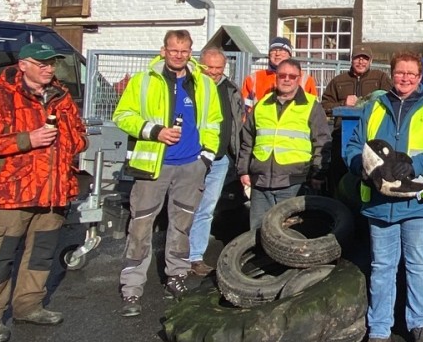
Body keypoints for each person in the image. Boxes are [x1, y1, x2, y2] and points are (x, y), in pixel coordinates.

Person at [0, 42, 88, 342]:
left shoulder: (61, 97)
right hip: (11, 193)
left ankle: (29, 305)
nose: (49, 68)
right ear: (23, 65)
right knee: (0, 256)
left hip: (54, 191)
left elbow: (78, 135)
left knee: (42, 253)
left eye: (52, 63)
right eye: (41, 63)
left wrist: (75, 142)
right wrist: (25, 139)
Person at [346, 51, 423, 342]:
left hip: (419, 201)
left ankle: (419, 327)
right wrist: (362, 166)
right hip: (381, 203)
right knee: (382, 268)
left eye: (411, 74)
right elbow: (354, 146)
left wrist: (415, 164)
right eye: (400, 73)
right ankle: (379, 330)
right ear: (391, 75)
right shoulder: (375, 107)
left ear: (420, 78)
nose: (405, 78)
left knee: (418, 265)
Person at [113, 30, 222, 317]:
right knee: (141, 226)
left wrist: (206, 158)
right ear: (163, 50)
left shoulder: (203, 83)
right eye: (173, 50)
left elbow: (213, 122)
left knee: (181, 226)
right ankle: (132, 288)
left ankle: (177, 277)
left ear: (191, 52)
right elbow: (122, 116)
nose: (178, 55)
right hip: (153, 166)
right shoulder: (143, 80)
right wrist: (155, 131)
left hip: (190, 166)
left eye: (184, 51)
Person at [238, 57, 331, 230]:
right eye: (282, 75)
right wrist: (243, 170)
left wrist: (318, 173)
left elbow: (322, 142)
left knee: (288, 236)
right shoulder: (262, 105)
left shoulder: (311, 106)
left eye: (292, 76)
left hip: (293, 182)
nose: (286, 79)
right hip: (260, 182)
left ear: (299, 78)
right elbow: (247, 140)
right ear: (276, 77)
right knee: (258, 231)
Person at [186, 48, 243, 276]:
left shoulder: (230, 89)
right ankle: (177, 256)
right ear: (200, 65)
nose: (214, 72)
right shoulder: (189, 86)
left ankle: (194, 257)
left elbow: (237, 123)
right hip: (192, 156)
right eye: (209, 67)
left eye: (218, 68)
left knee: (206, 209)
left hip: (220, 159)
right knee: (184, 206)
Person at [242, 36, 317, 110]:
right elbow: (243, 107)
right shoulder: (253, 78)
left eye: (282, 50)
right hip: (261, 120)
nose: (277, 53)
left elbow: (314, 108)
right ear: (269, 55)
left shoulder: (305, 79)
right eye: (273, 50)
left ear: (289, 55)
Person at [321, 47, 391, 112]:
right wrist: (343, 104)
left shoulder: (380, 78)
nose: (360, 62)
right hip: (344, 124)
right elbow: (324, 106)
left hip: (371, 124)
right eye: (357, 58)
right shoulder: (338, 81)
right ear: (351, 59)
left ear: (371, 61)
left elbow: (393, 101)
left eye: (365, 58)